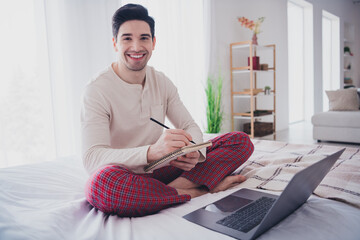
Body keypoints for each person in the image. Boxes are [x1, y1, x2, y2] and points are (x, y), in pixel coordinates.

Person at [81, 3, 254, 217]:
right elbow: (92, 158)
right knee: (101, 186)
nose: (136, 46)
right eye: (127, 38)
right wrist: (152, 151)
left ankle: (168, 191)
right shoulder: (97, 89)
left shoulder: (162, 81)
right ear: (115, 43)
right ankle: (199, 190)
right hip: (124, 174)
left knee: (239, 141)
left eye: (144, 38)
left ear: (153, 43)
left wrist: (193, 150)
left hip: (162, 168)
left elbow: (189, 125)